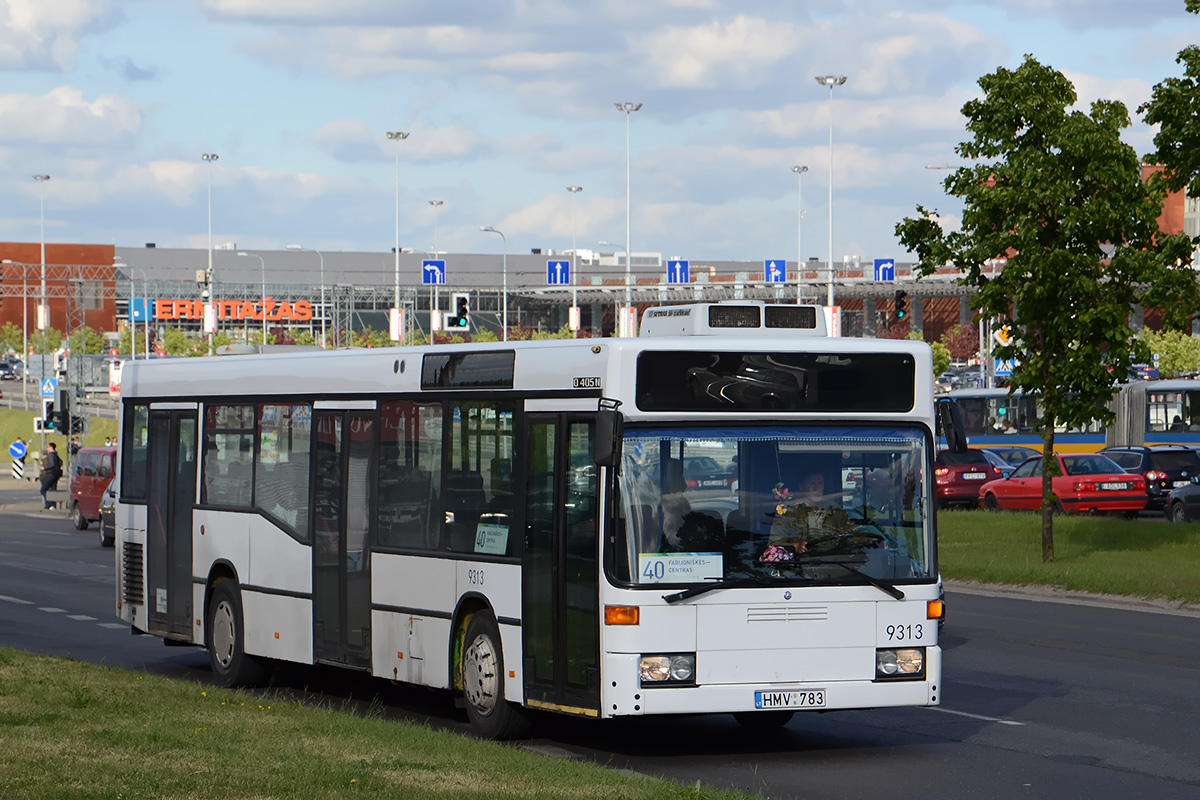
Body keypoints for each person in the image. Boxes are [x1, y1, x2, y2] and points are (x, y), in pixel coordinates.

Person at [40, 442, 64, 511]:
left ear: (51, 447)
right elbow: (60, 462)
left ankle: (49, 503)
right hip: (56, 475)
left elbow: (51, 464)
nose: (47, 449)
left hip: (51, 474)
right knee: (53, 490)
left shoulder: (50, 455)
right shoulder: (55, 454)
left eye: (47, 447)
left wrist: (44, 468)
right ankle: (53, 505)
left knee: (43, 489)